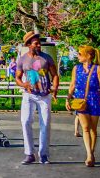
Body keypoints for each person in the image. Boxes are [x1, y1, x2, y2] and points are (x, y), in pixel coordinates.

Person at [16, 32, 59, 165]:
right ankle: (29, 154)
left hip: (44, 95)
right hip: (29, 94)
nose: (39, 45)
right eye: (36, 43)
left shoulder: (47, 58)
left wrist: (55, 88)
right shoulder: (22, 59)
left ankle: (44, 155)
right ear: (29, 45)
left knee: (45, 124)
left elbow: (55, 75)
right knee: (26, 122)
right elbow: (17, 78)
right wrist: (24, 84)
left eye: (39, 43)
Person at [67, 45, 100, 167]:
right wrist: (68, 98)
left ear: (88, 56)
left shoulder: (98, 69)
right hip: (80, 101)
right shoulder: (76, 68)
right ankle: (89, 154)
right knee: (85, 127)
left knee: (93, 129)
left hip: (94, 99)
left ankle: (92, 152)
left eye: (79, 54)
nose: (77, 56)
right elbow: (72, 84)